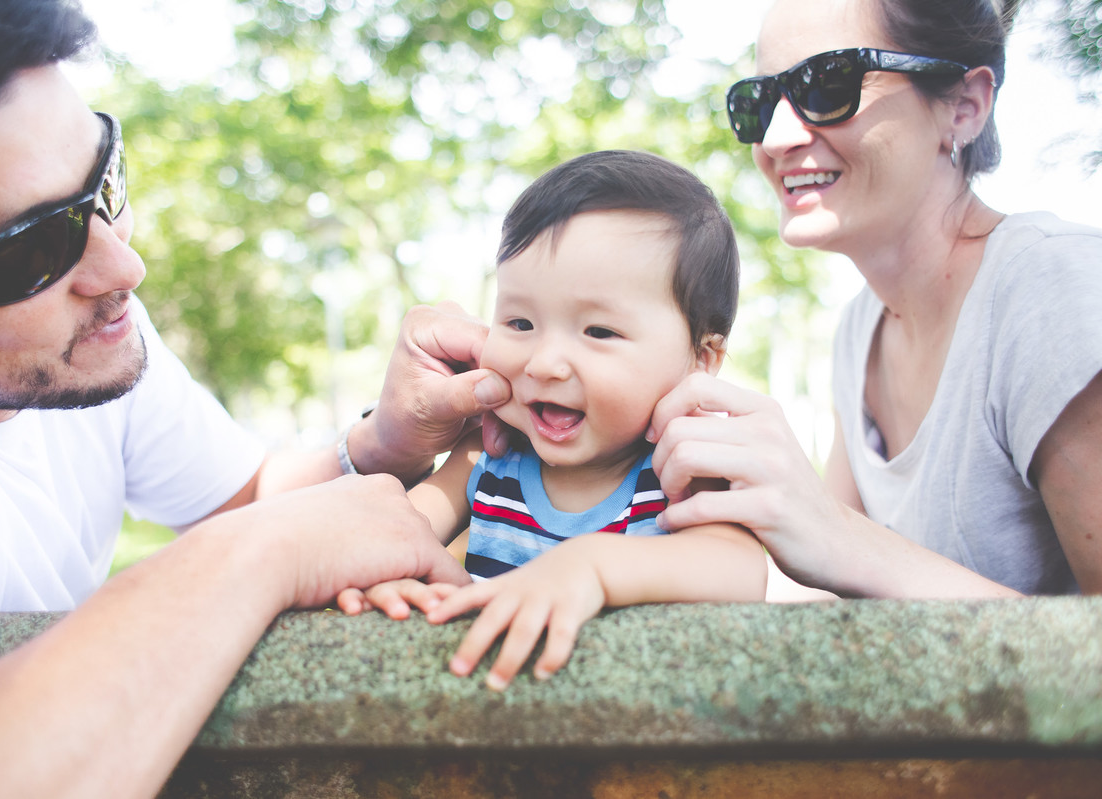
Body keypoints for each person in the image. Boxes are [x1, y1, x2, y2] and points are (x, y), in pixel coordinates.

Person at [0, 1, 513, 795]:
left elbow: (245, 495)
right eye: (32, 250)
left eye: (104, 184)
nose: (124, 270)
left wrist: (385, 442)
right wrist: (263, 555)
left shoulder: (86, 334)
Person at [647, 0, 1102, 599]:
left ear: (964, 107)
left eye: (830, 83)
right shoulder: (860, 328)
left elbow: (842, 543)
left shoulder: (1057, 289)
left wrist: (836, 533)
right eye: (759, 102)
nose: (777, 137)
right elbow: (838, 590)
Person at [339, 151, 768, 690]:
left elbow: (738, 568)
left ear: (700, 360)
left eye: (598, 332)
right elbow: (399, 529)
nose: (544, 363)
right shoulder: (490, 455)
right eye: (520, 322)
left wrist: (591, 567)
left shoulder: (680, 468)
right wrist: (386, 574)